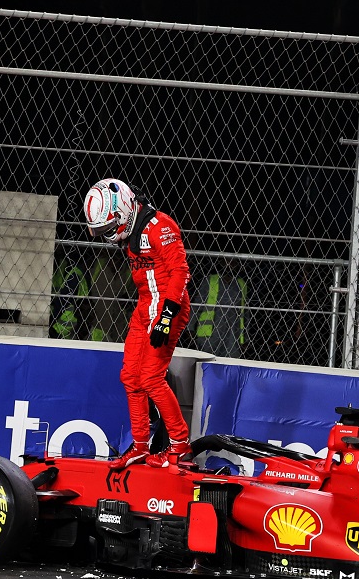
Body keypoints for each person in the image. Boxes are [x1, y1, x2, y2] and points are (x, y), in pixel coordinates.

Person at [83, 178, 192, 470]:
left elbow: (181, 273)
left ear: (122, 212)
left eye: (108, 228)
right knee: (130, 377)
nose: (109, 235)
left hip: (168, 306)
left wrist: (166, 318)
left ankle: (180, 445)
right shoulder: (132, 227)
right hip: (144, 307)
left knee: (151, 379)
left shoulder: (162, 227)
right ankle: (141, 446)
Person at [191, 258, 248, 359]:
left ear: (238, 265)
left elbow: (245, 313)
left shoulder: (241, 284)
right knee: (207, 360)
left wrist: (245, 338)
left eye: (233, 262)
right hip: (209, 332)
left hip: (232, 334)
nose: (229, 265)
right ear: (220, 263)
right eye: (226, 262)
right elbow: (197, 305)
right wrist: (190, 328)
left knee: (230, 361)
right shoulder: (210, 280)